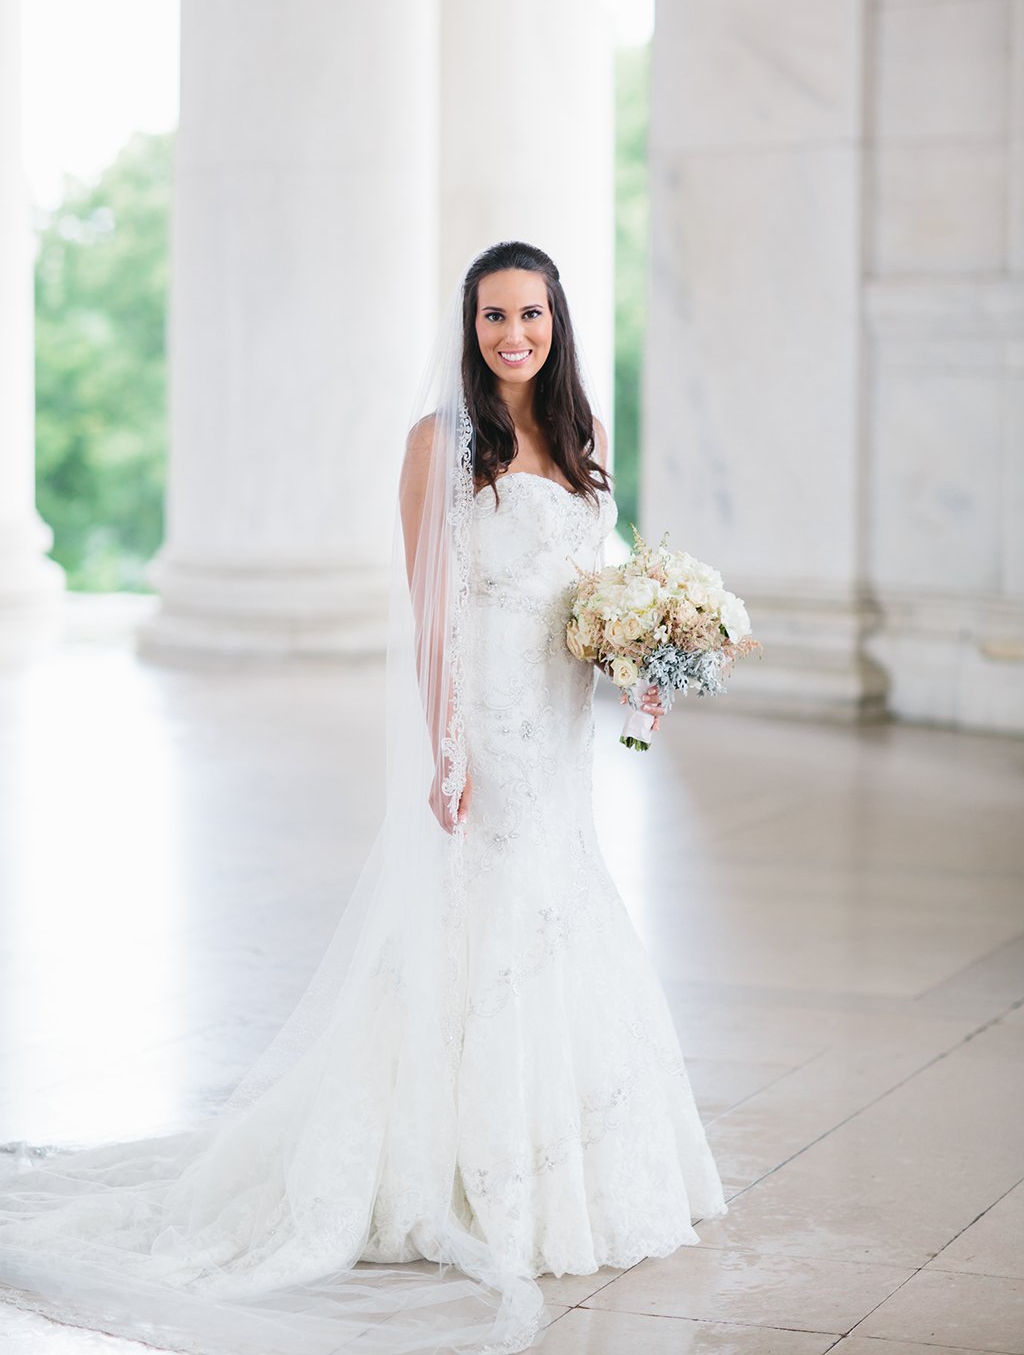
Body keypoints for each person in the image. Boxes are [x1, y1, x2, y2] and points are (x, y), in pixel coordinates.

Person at [0, 241, 727, 1355]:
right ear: (470, 325)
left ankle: (558, 1170)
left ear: (556, 323)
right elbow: (429, 610)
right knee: (476, 919)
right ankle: (446, 1169)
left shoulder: (581, 448)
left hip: (559, 727)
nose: (511, 335)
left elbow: (589, 602)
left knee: (554, 914)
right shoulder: (439, 444)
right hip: (484, 716)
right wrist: (445, 744)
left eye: (529, 314)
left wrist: (640, 670)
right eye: (492, 316)